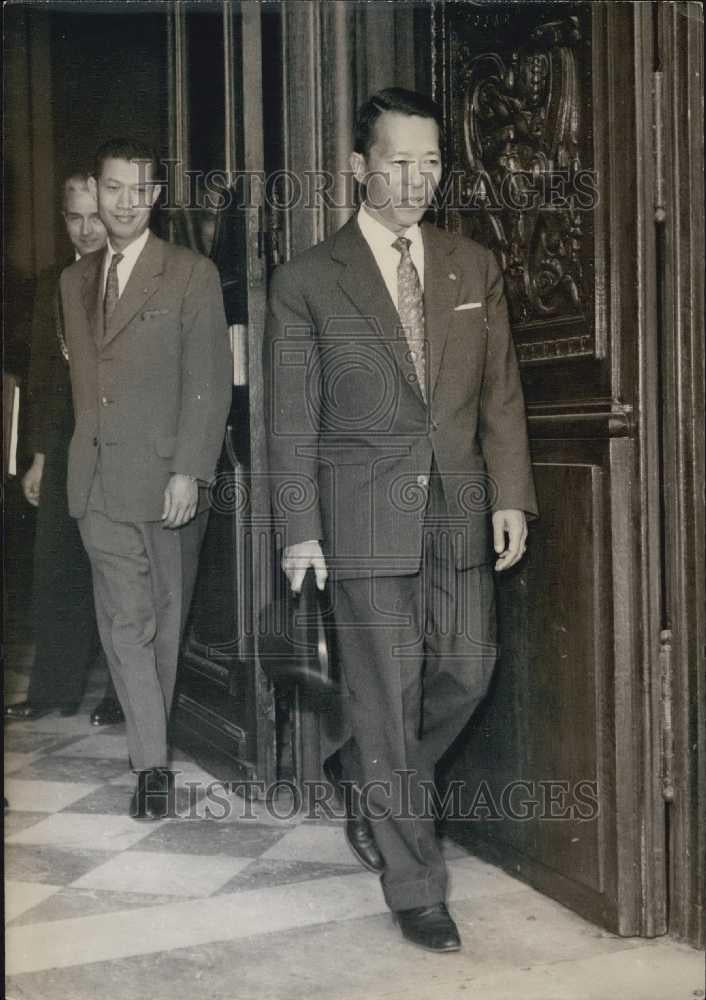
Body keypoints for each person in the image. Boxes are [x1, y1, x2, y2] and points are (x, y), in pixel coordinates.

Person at [264, 89, 538, 952]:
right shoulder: (307, 280)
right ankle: (415, 886)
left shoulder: (472, 266)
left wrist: (511, 495)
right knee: (388, 699)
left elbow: (499, 393)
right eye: (399, 162)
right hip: (361, 519)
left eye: (431, 163)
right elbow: (290, 419)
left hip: (459, 508)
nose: (418, 181)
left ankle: (364, 767)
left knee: (467, 672)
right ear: (359, 167)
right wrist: (300, 527)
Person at [60, 139, 232, 819]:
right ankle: (152, 765)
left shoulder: (190, 274)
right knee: (125, 621)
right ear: (96, 191)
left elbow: (209, 384)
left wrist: (190, 470)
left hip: (167, 483)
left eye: (139, 190)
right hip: (98, 480)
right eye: (113, 188)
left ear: (156, 197)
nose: (125, 203)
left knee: (162, 623)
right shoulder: (73, 282)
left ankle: (151, 749)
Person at [5, 174, 123, 725]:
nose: (86, 229)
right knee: (56, 566)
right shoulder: (51, 283)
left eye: (95, 216)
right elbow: (42, 374)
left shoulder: (131, 275)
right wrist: (39, 457)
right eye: (75, 218)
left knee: (118, 571)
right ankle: (54, 689)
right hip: (63, 443)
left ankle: (121, 696)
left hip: (120, 443)